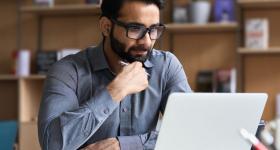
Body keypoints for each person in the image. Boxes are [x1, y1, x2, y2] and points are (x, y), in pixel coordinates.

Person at [38, 0, 192, 149]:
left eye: (153, 30)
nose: (146, 41)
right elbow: (52, 144)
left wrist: (125, 145)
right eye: (135, 29)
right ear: (106, 27)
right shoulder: (67, 71)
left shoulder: (166, 66)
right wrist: (115, 91)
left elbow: (191, 132)